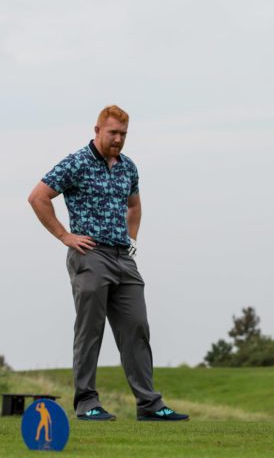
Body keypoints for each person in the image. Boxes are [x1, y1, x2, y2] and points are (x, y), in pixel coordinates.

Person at [27, 105, 188, 422]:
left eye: (123, 134)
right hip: (90, 255)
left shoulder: (129, 167)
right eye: (113, 132)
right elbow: (38, 197)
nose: (118, 139)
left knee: (137, 328)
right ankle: (87, 402)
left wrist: (132, 240)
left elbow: (135, 205)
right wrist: (64, 236)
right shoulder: (77, 162)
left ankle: (149, 405)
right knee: (90, 330)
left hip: (122, 258)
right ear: (97, 130)